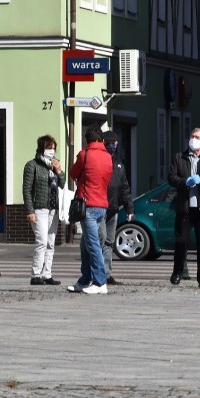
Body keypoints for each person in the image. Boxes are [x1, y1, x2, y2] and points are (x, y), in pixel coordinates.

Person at [167, 127, 200, 288]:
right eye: (191, 136)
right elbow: (172, 178)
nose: (193, 139)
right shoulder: (179, 157)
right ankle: (177, 272)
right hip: (185, 206)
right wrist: (184, 181)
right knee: (182, 242)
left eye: (197, 137)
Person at [66, 126, 113, 295]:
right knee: (86, 245)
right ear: (101, 140)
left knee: (92, 245)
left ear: (87, 140)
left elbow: (72, 173)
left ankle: (100, 282)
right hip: (102, 205)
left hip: (88, 205)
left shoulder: (84, 154)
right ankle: (85, 280)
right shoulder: (108, 157)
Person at [23, 134, 64, 285]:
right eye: (49, 148)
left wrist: (59, 171)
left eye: (53, 148)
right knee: (42, 241)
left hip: (53, 208)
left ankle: (47, 274)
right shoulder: (32, 165)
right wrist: (30, 210)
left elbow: (62, 184)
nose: (52, 151)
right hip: (39, 208)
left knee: (51, 243)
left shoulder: (54, 165)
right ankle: (35, 275)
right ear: (41, 148)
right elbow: (26, 189)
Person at [97, 130, 134, 285]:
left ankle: (106, 274)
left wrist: (129, 207)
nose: (112, 146)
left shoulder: (118, 164)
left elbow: (124, 187)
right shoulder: (100, 161)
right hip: (100, 207)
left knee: (109, 242)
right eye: (108, 144)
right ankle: (97, 273)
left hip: (114, 207)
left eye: (114, 143)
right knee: (101, 239)